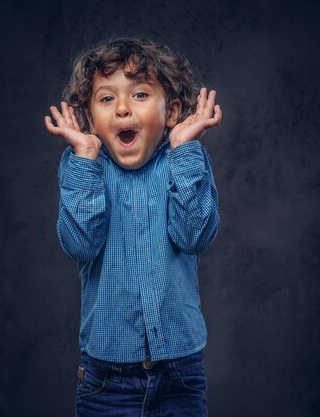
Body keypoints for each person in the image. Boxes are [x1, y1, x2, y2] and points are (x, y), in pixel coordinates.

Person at [44, 37, 222, 416]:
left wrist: (186, 151)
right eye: (107, 99)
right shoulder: (82, 167)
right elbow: (79, 245)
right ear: (90, 118)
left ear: (172, 110)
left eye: (139, 95)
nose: (123, 109)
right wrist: (85, 158)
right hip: (105, 381)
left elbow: (195, 236)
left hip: (181, 375)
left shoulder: (185, 159)